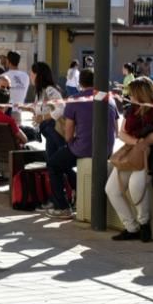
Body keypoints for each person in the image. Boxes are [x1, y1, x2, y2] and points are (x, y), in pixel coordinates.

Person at [106, 77, 153, 242]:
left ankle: (144, 223)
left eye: (132, 94)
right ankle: (131, 228)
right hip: (133, 151)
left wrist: (141, 143)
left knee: (136, 185)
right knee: (111, 189)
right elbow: (122, 133)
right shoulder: (132, 109)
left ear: (142, 94)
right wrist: (138, 142)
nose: (129, 97)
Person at [44, 69, 118, 218]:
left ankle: (62, 207)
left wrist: (70, 142)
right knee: (63, 161)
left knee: (53, 164)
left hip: (83, 148)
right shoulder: (109, 98)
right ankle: (77, 190)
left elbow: (68, 132)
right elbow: (116, 129)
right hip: (107, 149)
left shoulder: (75, 99)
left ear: (79, 83)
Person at [29, 62, 65, 158]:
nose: (30, 76)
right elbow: (40, 109)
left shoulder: (50, 90)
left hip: (53, 130)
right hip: (48, 131)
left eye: (31, 73)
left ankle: (73, 174)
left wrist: (43, 117)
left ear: (38, 75)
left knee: (54, 162)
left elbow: (61, 109)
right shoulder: (40, 92)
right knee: (52, 163)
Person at [1, 51, 30, 122]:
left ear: (8, 61)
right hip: (18, 112)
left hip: (5, 112)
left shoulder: (3, 76)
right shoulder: (26, 76)